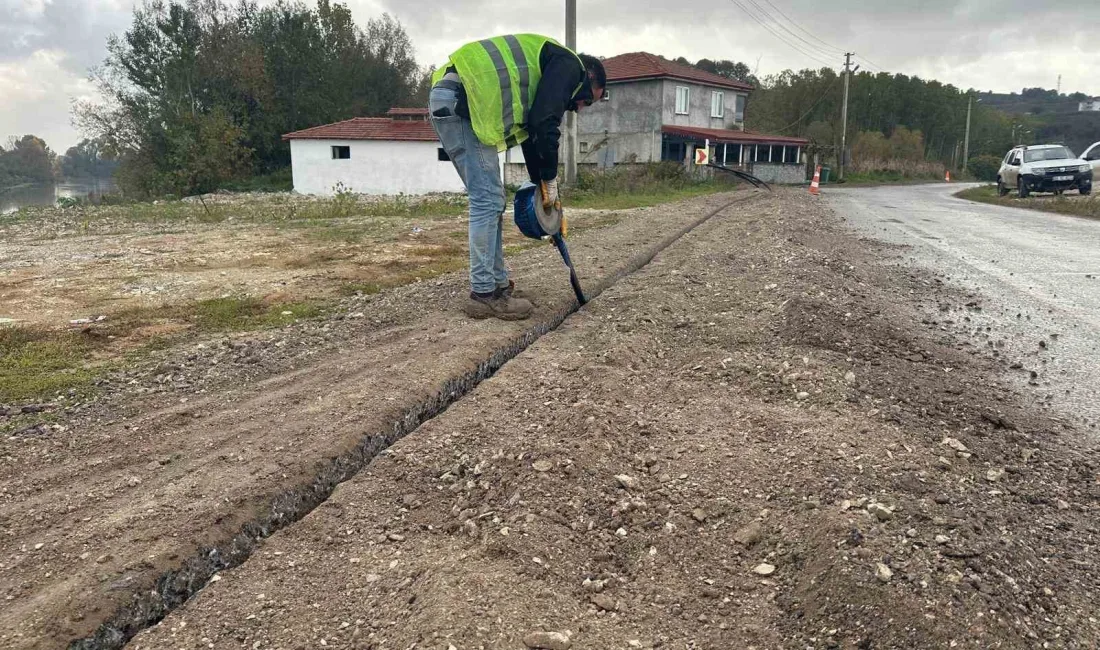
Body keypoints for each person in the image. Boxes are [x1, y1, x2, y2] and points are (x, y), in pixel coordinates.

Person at [429, 34, 606, 320]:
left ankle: (497, 286)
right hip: (463, 99)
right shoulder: (569, 66)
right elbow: (545, 124)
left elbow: (531, 133)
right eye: (586, 100)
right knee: (487, 200)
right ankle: (483, 294)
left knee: (492, 198)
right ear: (588, 77)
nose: (578, 108)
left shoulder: (544, 71)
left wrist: (542, 190)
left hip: (457, 97)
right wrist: (550, 181)